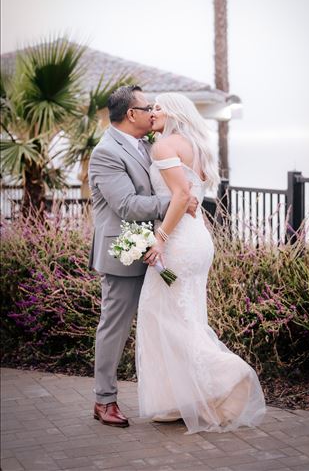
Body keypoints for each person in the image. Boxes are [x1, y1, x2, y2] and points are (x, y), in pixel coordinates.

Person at [136, 93, 266, 434]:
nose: (152, 112)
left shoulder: (165, 147)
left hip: (177, 242)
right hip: (196, 238)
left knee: (164, 316)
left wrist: (158, 240)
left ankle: (230, 374)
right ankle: (181, 399)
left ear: (175, 112)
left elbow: (179, 196)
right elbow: (188, 195)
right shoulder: (193, 145)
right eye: (149, 107)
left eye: (158, 107)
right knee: (184, 314)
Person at [88, 85, 198, 427]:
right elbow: (126, 205)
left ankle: (178, 397)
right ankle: (104, 401)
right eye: (146, 106)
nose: (153, 111)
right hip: (124, 252)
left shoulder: (148, 144)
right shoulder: (106, 153)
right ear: (131, 114)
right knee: (115, 328)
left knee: (167, 323)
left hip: (158, 248)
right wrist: (177, 200)